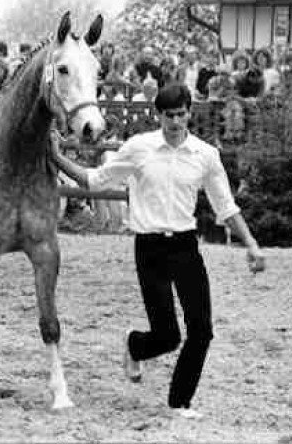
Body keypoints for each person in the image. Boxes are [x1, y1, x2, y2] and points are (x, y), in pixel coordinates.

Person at [49, 83, 266, 419]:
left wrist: (250, 245)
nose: (176, 122)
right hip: (149, 248)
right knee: (167, 336)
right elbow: (94, 180)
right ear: (158, 115)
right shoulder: (139, 148)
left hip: (185, 246)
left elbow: (226, 206)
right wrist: (56, 156)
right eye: (169, 116)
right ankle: (135, 345)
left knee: (202, 330)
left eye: (181, 114)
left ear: (189, 113)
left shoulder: (205, 155)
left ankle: (180, 402)